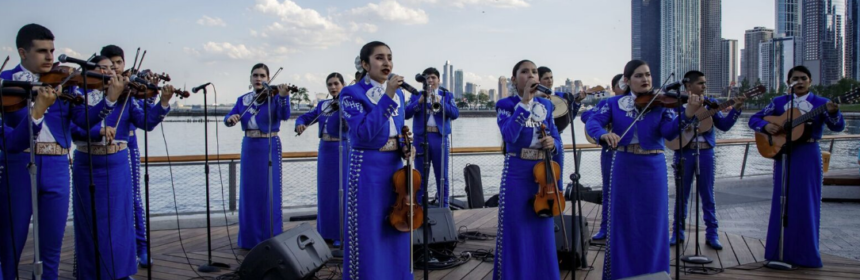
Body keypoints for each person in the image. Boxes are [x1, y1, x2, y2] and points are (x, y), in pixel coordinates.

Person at [0, 23, 120, 280]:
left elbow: (83, 120)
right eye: (42, 51)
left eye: (52, 51)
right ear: (23, 53)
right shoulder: (5, 83)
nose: (50, 58)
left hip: (56, 166)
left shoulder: (65, 82)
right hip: (19, 166)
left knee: (52, 248)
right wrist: (38, 110)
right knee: (10, 246)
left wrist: (109, 100)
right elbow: (10, 142)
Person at [586, 60, 693, 279]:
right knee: (624, 221)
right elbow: (593, 122)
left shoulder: (662, 104)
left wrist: (689, 113)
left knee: (654, 222)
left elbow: (670, 133)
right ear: (626, 80)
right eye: (638, 76)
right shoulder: (613, 102)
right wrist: (603, 135)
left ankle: (653, 273)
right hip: (625, 165)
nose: (645, 79)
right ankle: (622, 273)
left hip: (654, 167)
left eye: (648, 75)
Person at [71, 55, 174, 279]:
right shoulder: (79, 95)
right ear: (90, 71)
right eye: (103, 68)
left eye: (112, 68)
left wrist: (163, 103)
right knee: (90, 222)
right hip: (87, 163)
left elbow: (145, 122)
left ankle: (121, 272)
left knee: (120, 221)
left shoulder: (125, 98)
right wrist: (96, 130)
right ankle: (90, 273)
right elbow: (74, 129)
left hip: (117, 163)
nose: (109, 72)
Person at [749, 65, 844, 267]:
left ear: (810, 81)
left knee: (806, 202)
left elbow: (837, 126)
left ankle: (806, 255)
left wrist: (835, 113)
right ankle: (778, 253)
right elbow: (753, 119)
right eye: (795, 79)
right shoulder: (778, 102)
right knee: (781, 201)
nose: (799, 82)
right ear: (788, 82)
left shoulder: (822, 103)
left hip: (808, 154)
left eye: (803, 78)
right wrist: (766, 126)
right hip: (783, 155)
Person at [340, 41, 414, 280]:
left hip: (394, 169)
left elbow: (398, 129)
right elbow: (363, 134)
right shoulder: (351, 93)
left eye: (389, 57)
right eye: (380, 58)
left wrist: (406, 147)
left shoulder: (400, 94)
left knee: (396, 225)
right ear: (365, 64)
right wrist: (388, 95)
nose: (387, 63)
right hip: (367, 169)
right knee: (369, 229)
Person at [492, 59, 562, 280]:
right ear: (514, 79)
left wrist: (554, 143)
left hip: (543, 176)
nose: (531, 76)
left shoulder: (547, 106)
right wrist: (524, 102)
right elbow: (509, 135)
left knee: (542, 230)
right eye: (525, 72)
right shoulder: (505, 104)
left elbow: (558, 140)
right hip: (517, 172)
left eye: (534, 72)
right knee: (515, 230)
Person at [668, 70, 745, 250]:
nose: (704, 86)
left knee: (708, 195)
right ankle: (677, 233)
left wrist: (737, 109)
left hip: (706, 153)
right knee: (681, 196)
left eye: (705, 83)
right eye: (701, 83)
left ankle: (712, 234)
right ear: (688, 86)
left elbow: (724, 126)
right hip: (683, 152)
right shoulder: (676, 104)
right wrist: (687, 119)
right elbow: (671, 128)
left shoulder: (712, 104)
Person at [224, 63, 292, 249]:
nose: (258, 78)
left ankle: (271, 238)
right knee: (249, 193)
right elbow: (228, 117)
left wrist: (284, 97)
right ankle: (249, 239)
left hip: (269, 145)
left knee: (269, 192)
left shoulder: (275, 97)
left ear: (269, 79)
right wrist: (230, 119)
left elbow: (285, 115)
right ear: (250, 78)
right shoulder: (243, 99)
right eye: (255, 75)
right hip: (249, 146)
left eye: (262, 75)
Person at [295, 72, 349, 246]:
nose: (333, 87)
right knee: (325, 192)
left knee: (341, 192)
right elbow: (305, 117)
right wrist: (300, 124)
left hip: (342, 148)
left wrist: (345, 106)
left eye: (336, 84)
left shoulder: (347, 103)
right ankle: (324, 232)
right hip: (325, 149)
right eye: (330, 85)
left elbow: (353, 123)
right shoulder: (323, 105)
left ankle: (340, 234)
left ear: (343, 85)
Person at [405, 67, 459, 207]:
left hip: (440, 138)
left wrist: (440, 103)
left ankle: (444, 206)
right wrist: (420, 102)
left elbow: (455, 114)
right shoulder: (416, 95)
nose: (430, 80)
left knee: (442, 175)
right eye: (427, 78)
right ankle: (419, 208)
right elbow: (406, 113)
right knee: (421, 175)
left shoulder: (447, 95)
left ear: (439, 80)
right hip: (421, 137)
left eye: (433, 77)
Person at [580, 74, 623, 241]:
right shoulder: (608, 103)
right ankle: (605, 227)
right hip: (610, 151)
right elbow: (586, 116)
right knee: (608, 190)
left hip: (631, 154)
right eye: (621, 84)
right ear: (614, 88)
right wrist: (604, 131)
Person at [537, 66, 585, 191]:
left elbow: (568, 119)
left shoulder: (560, 96)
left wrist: (577, 102)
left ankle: (557, 203)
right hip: (537, 141)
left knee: (557, 173)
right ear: (538, 80)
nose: (550, 81)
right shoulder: (533, 98)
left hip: (555, 139)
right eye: (546, 78)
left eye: (551, 77)